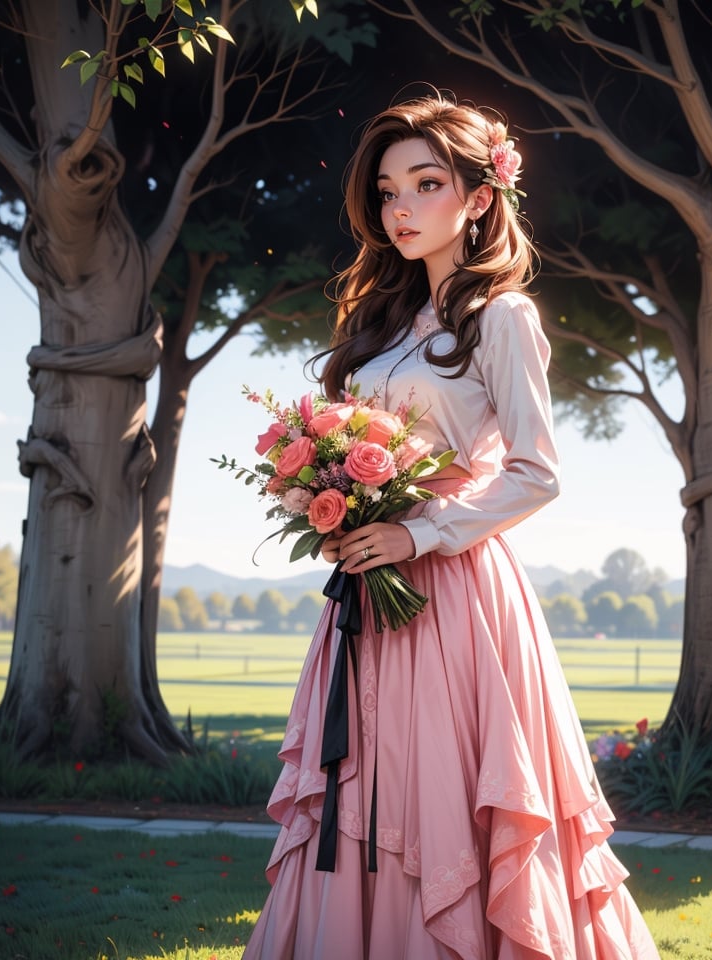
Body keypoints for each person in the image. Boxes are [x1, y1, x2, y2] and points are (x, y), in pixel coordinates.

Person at [242, 91, 661, 960]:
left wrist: (418, 533)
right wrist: (336, 508)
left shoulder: (501, 315)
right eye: (388, 191)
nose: (401, 209)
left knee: (443, 792)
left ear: (478, 198)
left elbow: (536, 474)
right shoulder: (381, 324)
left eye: (424, 184)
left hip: (457, 589)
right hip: (367, 590)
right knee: (369, 788)